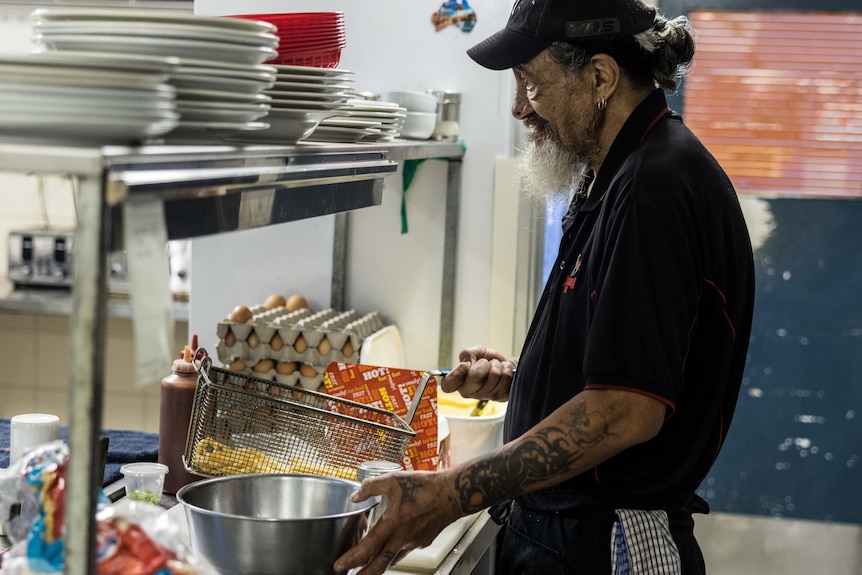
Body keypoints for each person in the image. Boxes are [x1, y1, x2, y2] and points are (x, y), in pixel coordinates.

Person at [334, 0, 755, 573]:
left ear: (601, 77)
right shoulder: (614, 174)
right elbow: (631, 366)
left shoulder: (654, 187)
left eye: (531, 85)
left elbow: (624, 412)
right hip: (563, 534)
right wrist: (527, 378)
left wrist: (450, 491)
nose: (518, 108)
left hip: (604, 544)